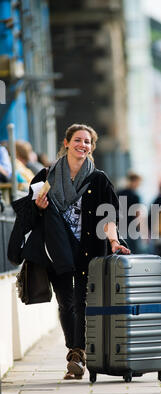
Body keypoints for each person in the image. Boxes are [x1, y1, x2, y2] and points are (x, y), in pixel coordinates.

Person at [22, 124, 130, 380]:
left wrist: (113, 241)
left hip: (89, 249)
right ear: (67, 142)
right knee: (65, 302)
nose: (83, 145)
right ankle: (76, 351)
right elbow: (29, 216)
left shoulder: (99, 179)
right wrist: (38, 207)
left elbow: (109, 215)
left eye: (88, 142)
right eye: (78, 140)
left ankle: (78, 354)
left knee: (83, 301)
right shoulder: (45, 177)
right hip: (56, 249)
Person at [117, 171, 143, 253]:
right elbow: (137, 214)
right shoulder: (135, 195)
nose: (138, 185)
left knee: (122, 252)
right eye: (138, 182)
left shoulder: (119, 193)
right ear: (134, 181)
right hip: (132, 229)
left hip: (120, 228)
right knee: (133, 252)